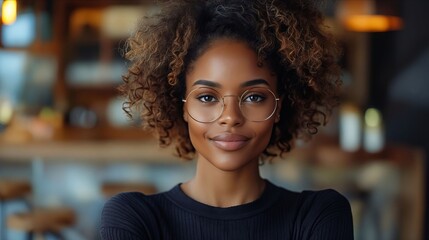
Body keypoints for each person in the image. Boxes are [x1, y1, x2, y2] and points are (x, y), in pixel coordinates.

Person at [100, 0, 354, 239]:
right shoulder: (134, 218)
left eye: (254, 97)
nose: (230, 117)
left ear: (279, 107)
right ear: (183, 107)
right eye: (208, 97)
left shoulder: (318, 216)